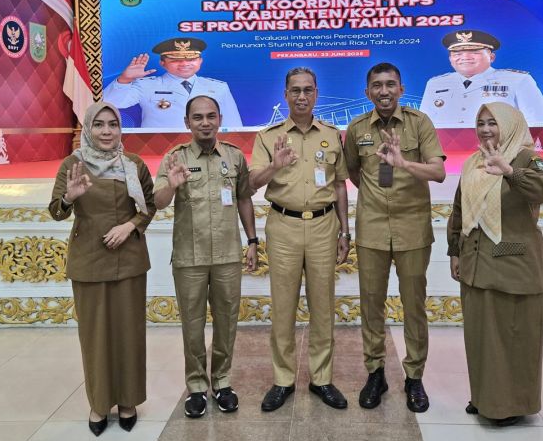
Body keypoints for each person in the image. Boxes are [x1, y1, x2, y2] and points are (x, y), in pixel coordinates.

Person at [48, 101, 156, 436]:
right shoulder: (73, 164)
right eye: (99, 124)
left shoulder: (133, 164)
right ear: (88, 128)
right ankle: (99, 403)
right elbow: (56, 212)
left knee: (129, 333)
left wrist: (130, 226)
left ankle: (128, 401)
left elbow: (149, 206)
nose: (107, 131)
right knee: (95, 336)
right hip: (89, 260)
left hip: (129, 258)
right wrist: (69, 197)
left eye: (113, 124)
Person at [344, 62, 445, 413]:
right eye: (377, 85)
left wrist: (403, 164)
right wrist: (375, 195)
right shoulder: (356, 128)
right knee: (371, 304)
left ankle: (414, 376)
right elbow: (353, 171)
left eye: (390, 84)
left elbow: (438, 171)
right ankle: (375, 374)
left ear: (401, 89)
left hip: (412, 228)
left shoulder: (420, 123)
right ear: (367, 92)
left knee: (414, 305)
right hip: (371, 228)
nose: (384, 91)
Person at [249, 67, 351, 412]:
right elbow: (251, 183)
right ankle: (283, 379)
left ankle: (322, 378)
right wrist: (274, 166)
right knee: (283, 306)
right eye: (295, 90)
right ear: (286, 95)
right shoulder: (268, 137)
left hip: (324, 226)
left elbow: (339, 185)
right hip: (284, 226)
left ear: (317, 94)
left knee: (323, 305)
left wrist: (345, 230)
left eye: (308, 90)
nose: (302, 96)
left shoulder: (332, 135)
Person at [447, 102, 543, 426]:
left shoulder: (526, 158)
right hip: (476, 263)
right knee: (481, 337)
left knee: (513, 337)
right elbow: (459, 209)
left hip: (512, 264)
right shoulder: (473, 163)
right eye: (480, 123)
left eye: (492, 123)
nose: (485, 129)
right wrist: (454, 251)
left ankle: (510, 405)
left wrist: (509, 172)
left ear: (509, 125)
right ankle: (484, 398)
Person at [153, 95, 258, 418]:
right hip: (190, 257)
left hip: (227, 254)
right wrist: (172, 186)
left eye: (211, 116)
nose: (205, 123)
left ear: (220, 119)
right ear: (187, 122)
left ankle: (223, 382)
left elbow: (243, 199)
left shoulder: (234, 156)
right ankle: (197, 386)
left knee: (227, 321)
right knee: (193, 325)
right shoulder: (175, 158)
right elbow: (158, 201)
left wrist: (252, 240)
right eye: (197, 117)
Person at [103, 37, 243, 129]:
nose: (184, 64)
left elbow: (233, 125)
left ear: (200, 61)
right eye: (176, 60)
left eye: (191, 59)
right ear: (162, 63)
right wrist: (125, 79)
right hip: (160, 150)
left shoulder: (218, 87)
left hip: (207, 151)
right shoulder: (146, 85)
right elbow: (110, 103)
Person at [419, 29, 543, 127]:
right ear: (450, 59)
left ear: (491, 57)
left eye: (474, 52)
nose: (465, 57)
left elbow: (537, 124)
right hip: (445, 151)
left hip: (501, 151)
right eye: (457, 53)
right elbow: (424, 126)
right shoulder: (436, 83)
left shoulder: (519, 80)